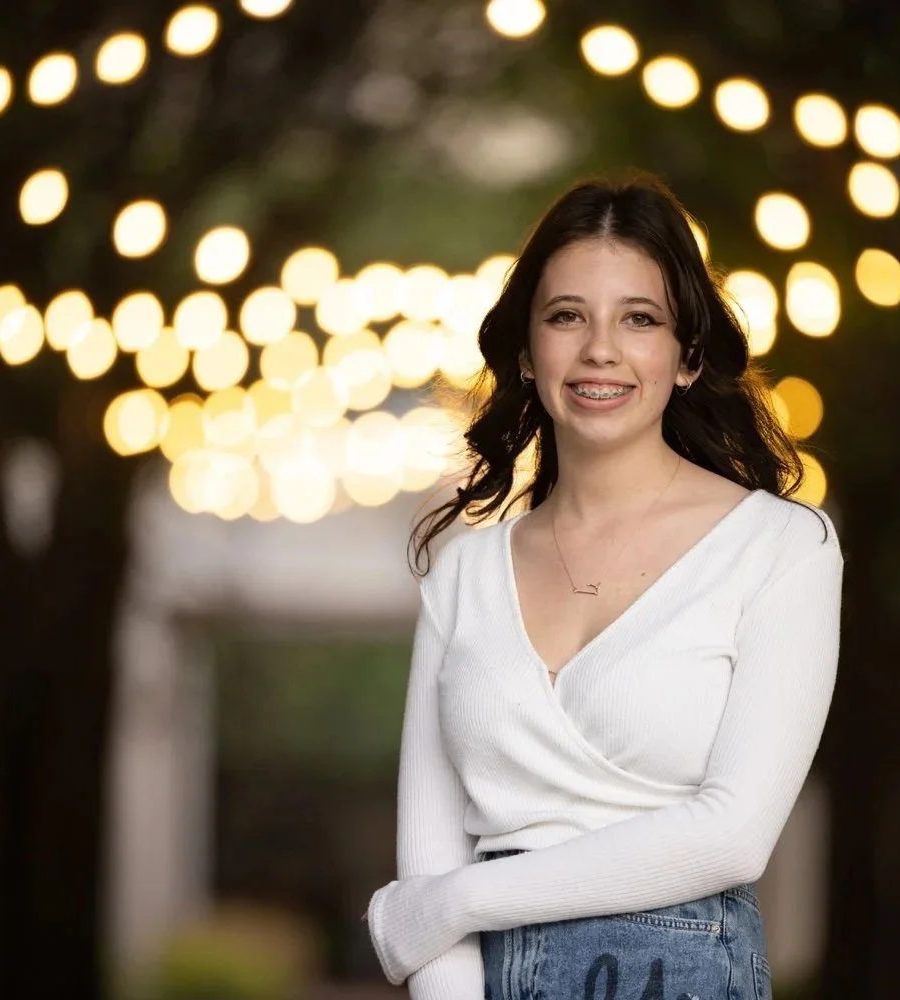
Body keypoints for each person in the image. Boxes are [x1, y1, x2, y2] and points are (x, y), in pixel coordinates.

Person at [362, 171, 844, 1000]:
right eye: (566, 317)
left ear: (688, 358)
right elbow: (426, 868)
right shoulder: (464, 574)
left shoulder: (778, 547)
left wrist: (463, 901)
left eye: (640, 319)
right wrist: (442, 916)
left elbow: (733, 837)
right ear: (526, 350)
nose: (600, 350)